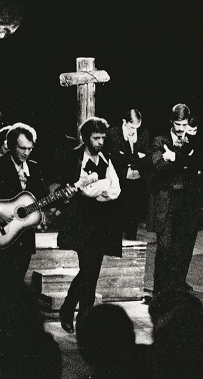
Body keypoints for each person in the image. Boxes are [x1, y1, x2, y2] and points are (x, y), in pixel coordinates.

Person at [57, 117, 122, 333]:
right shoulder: (74, 157)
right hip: (81, 222)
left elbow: (115, 188)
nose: (100, 142)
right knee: (89, 270)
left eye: (103, 137)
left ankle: (71, 310)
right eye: (96, 138)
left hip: (101, 221)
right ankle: (81, 316)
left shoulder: (106, 157)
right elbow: (74, 189)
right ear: (86, 138)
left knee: (91, 271)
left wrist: (102, 188)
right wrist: (99, 187)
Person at [0, 122, 48, 307]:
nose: (26, 153)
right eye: (22, 148)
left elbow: (43, 196)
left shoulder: (34, 168)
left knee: (15, 286)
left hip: (23, 239)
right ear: (10, 145)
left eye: (30, 148)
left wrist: (62, 197)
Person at [150, 104, 203, 295]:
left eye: (184, 124)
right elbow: (159, 166)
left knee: (181, 247)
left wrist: (174, 157)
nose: (181, 129)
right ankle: (159, 291)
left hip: (186, 201)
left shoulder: (192, 142)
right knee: (164, 247)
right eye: (178, 124)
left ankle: (175, 289)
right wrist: (184, 162)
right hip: (166, 201)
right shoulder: (160, 141)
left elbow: (200, 164)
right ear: (171, 122)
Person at [104, 109, 151, 240]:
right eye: (131, 127)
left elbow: (148, 159)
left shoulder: (144, 133)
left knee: (133, 219)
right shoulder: (113, 134)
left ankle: (131, 240)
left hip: (137, 183)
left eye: (137, 128)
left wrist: (129, 159)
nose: (134, 131)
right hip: (120, 181)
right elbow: (116, 160)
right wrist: (137, 156)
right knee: (118, 218)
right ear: (124, 122)